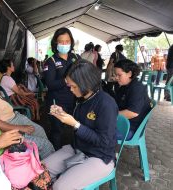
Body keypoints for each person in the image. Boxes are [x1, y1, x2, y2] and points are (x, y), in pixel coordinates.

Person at [43, 60, 118, 190]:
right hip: (78, 148)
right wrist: (63, 115)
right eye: (69, 86)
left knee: (60, 187)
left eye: (73, 86)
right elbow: (79, 122)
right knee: (41, 170)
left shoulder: (106, 104)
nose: (70, 90)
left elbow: (103, 141)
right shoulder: (81, 99)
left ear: (86, 84)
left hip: (99, 156)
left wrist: (75, 124)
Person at [0, 65, 54, 159]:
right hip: (11, 123)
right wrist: (20, 127)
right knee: (45, 145)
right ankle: (47, 164)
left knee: (40, 131)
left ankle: (43, 159)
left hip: (14, 118)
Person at [43, 27, 81, 150]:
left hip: (74, 100)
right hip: (56, 102)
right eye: (61, 41)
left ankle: (76, 152)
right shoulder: (51, 61)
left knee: (76, 128)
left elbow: (83, 74)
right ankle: (54, 155)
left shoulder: (75, 57)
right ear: (56, 43)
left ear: (71, 42)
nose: (64, 44)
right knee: (57, 131)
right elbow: (50, 84)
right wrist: (67, 79)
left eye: (67, 41)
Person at [114, 59, 151, 140]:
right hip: (124, 124)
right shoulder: (124, 86)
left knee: (96, 132)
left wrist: (109, 116)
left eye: (119, 75)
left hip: (130, 129)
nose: (116, 78)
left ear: (129, 74)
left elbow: (132, 113)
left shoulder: (137, 88)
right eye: (115, 75)